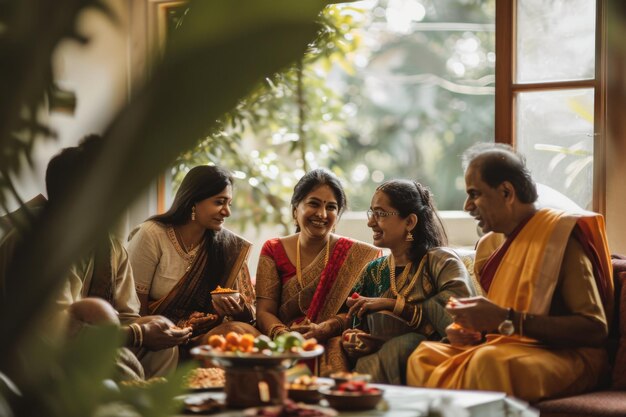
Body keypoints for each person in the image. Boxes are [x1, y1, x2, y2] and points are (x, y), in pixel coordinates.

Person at [406, 143, 614, 402]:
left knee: (488, 362)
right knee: (423, 357)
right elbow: (499, 326)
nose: (467, 206)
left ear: (506, 192)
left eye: (474, 194)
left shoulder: (558, 237)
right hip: (510, 348)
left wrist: (506, 318)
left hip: (569, 356)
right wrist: (472, 332)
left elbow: (594, 329)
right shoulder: (490, 245)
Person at [0, 135, 189, 381]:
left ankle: (139, 400)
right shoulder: (34, 243)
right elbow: (52, 329)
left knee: (163, 344)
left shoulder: (110, 247)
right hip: (31, 353)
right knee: (95, 314)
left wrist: (153, 328)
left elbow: (126, 316)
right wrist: (138, 334)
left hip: (89, 343)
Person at [337, 179, 476, 385]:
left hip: (438, 360)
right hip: (382, 358)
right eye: (371, 213)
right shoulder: (374, 270)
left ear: (410, 222)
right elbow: (356, 320)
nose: (371, 222)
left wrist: (397, 306)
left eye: (380, 214)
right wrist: (359, 337)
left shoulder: (440, 262)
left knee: (403, 345)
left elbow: (463, 318)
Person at [255, 168, 381, 374]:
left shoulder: (357, 256)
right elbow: (264, 311)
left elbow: (359, 312)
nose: (322, 214)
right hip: (281, 339)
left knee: (334, 350)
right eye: (313, 203)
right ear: (296, 209)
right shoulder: (273, 249)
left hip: (331, 338)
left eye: (331, 207)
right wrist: (283, 335)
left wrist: (326, 328)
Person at [127, 165, 257, 343]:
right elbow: (133, 307)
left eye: (229, 204)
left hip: (205, 337)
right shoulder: (152, 234)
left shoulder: (227, 246)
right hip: (159, 336)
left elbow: (250, 311)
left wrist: (237, 309)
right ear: (193, 201)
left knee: (240, 333)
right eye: (219, 202)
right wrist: (176, 327)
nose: (227, 212)